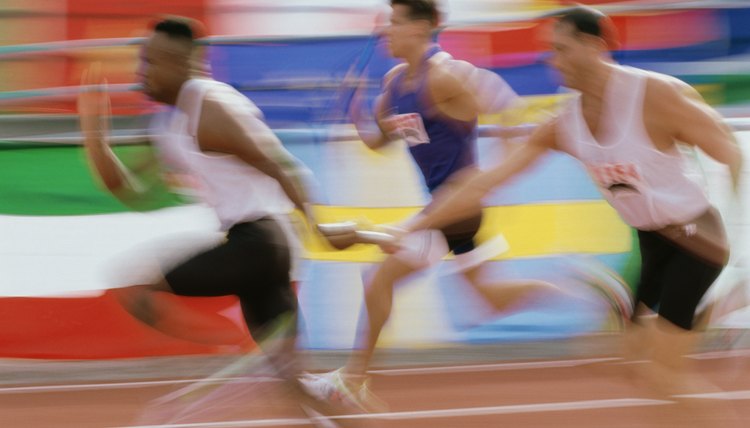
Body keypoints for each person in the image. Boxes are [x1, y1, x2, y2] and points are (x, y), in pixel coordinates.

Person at [398, 5, 743, 407]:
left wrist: (733, 236)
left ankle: (716, 323)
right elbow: (485, 183)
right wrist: (413, 226)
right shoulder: (564, 124)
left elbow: (731, 152)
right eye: (549, 50)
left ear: (593, 46)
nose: (550, 59)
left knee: (663, 376)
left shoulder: (655, 96)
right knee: (630, 361)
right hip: (651, 241)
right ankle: (711, 313)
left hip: (695, 241)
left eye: (560, 49)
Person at [307, 0, 563, 410]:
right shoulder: (394, 84)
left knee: (379, 278)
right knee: (488, 301)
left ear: (421, 27)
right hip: (443, 207)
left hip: (458, 203)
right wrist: (354, 109)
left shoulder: (446, 74)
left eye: (394, 22)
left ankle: (353, 380)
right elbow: (378, 140)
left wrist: (492, 177)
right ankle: (577, 286)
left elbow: (507, 105)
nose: (386, 30)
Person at [78, 17, 340, 415]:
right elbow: (134, 192)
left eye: (149, 63)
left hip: (263, 243)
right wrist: (95, 133)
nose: (140, 74)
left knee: (140, 288)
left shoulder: (209, 108)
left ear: (175, 63)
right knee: (295, 386)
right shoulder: (168, 121)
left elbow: (281, 166)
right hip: (253, 246)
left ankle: (215, 341)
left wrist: (317, 223)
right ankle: (334, 407)